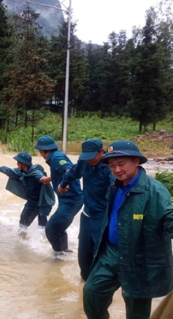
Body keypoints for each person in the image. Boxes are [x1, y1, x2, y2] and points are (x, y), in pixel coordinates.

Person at [83, 140, 173, 319]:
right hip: (110, 253)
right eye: (112, 165)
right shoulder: (115, 187)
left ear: (136, 161)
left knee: (137, 312)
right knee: (91, 293)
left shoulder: (156, 192)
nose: (116, 170)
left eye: (121, 164)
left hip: (140, 261)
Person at [58, 139, 114, 281]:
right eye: (86, 156)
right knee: (84, 256)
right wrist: (63, 184)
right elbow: (73, 173)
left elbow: (118, 192)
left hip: (103, 218)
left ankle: (99, 287)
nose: (88, 160)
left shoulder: (110, 168)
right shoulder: (84, 162)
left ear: (102, 152)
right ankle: (84, 285)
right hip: (87, 216)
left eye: (92, 156)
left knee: (101, 255)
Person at [34, 136, 83, 255]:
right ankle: (65, 252)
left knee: (51, 229)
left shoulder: (56, 158)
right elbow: (62, 171)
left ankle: (58, 256)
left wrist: (64, 183)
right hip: (70, 200)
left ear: (42, 150)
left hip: (71, 200)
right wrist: (51, 179)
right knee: (59, 228)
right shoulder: (55, 157)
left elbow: (68, 170)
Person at [0, 152, 55, 235]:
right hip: (32, 201)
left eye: (18, 162)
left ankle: (43, 243)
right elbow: (8, 170)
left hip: (44, 201)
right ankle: (22, 239)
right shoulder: (21, 172)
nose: (17, 164)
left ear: (24, 164)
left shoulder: (35, 173)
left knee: (42, 222)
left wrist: (53, 177)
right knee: (23, 219)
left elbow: (43, 179)